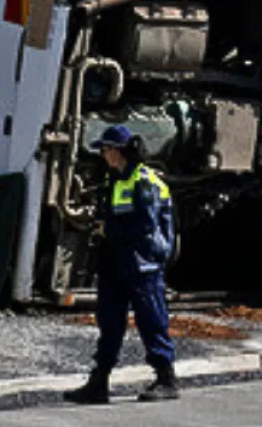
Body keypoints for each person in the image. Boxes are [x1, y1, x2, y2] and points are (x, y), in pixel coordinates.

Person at [64, 124, 179, 404]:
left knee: (151, 321)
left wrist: (108, 230)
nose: (103, 155)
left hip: (143, 265)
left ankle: (166, 378)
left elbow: (146, 227)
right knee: (110, 323)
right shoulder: (113, 180)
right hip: (117, 264)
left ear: (119, 151)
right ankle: (99, 382)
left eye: (106, 149)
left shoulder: (143, 181)